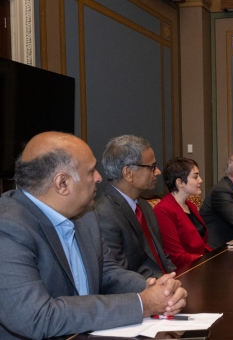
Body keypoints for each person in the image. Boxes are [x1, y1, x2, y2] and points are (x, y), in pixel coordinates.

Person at [0, 132, 186, 339]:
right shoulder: (7, 228)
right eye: (90, 172)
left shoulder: (85, 216)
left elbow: (107, 273)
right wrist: (143, 304)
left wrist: (159, 290)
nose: (99, 178)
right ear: (62, 183)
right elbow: (36, 317)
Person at [95, 135, 176, 278]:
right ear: (128, 173)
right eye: (152, 167)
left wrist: (177, 276)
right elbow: (119, 274)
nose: (158, 171)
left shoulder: (144, 206)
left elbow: (160, 255)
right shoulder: (103, 214)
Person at [154, 157, 212, 269]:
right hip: (184, 271)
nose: (200, 180)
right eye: (195, 176)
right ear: (179, 182)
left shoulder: (191, 206)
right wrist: (207, 260)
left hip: (199, 265)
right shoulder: (163, 210)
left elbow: (203, 244)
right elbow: (176, 257)